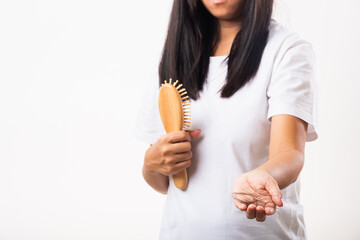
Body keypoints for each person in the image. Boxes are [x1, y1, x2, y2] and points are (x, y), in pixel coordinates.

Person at [133, 0, 319, 239]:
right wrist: (151, 164)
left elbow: (289, 153)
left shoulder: (287, 50)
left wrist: (262, 177)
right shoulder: (174, 56)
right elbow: (163, 183)